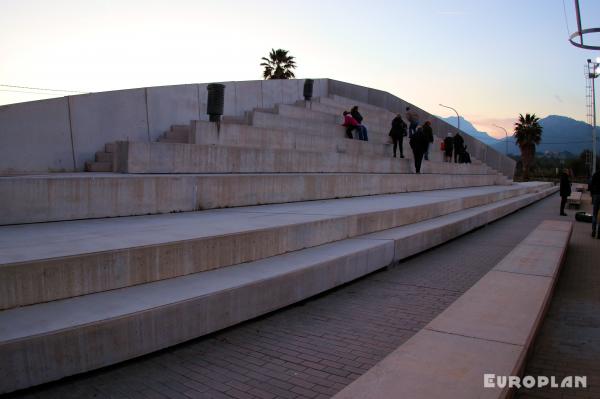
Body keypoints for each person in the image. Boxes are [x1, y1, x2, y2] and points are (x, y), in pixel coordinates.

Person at [589, 169, 600, 238]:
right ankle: (599, 233)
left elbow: (591, 184)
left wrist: (592, 194)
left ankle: (593, 231)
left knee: (595, 214)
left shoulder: (596, 174)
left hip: (596, 195)